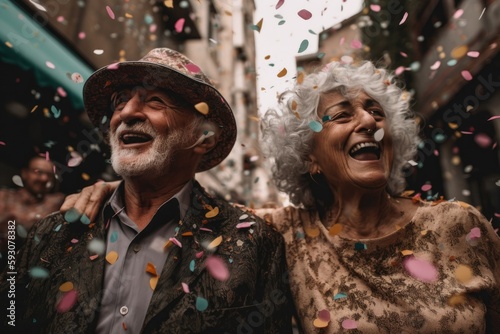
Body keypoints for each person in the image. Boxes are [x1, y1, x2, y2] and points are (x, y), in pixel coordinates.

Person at [57, 60, 500, 333]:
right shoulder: (284, 233)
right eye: (342, 115)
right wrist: (121, 185)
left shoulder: (459, 225)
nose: (367, 121)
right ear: (309, 158)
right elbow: (182, 199)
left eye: (376, 113)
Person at [0, 48, 293, 333]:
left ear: (203, 138)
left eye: (155, 101)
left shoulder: (253, 244)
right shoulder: (53, 232)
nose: (126, 113)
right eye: (119, 101)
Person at [0, 155, 64, 269]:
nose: (44, 179)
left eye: (49, 175)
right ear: (25, 173)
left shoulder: (56, 202)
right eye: (38, 172)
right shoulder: (4, 197)